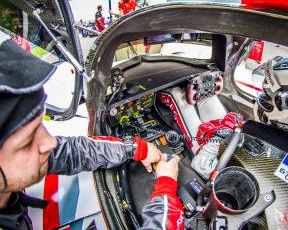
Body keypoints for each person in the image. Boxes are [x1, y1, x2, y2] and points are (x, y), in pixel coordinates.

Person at [0, 33, 184, 229]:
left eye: (40, 125)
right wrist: (165, 186)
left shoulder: (27, 157)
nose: (50, 142)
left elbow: (70, 152)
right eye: (27, 142)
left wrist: (137, 149)